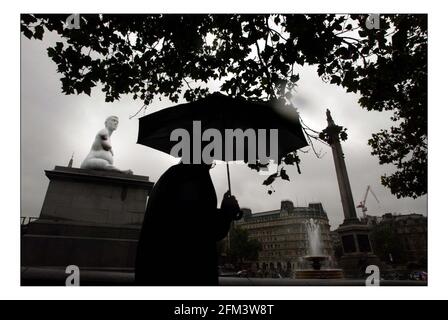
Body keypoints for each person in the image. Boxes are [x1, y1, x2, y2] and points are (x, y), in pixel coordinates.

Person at [135, 162, 241, 285]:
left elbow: (192, 218)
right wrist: (226, 213)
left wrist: (224, 212)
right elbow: (201, 231)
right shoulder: (193, 177)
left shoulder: (178, 174)